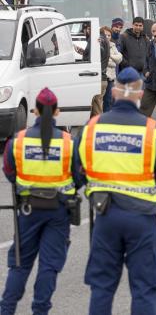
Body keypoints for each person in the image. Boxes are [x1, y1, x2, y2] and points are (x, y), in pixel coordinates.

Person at [75, 67, 156, 313]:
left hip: (105, 215)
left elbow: (77, 172)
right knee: (144, 287)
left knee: (102, 286)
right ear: (140, 94)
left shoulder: (92, 128)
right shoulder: (152, 130)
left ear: (115, 93)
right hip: (142, 219)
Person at [0, 88, 80, 315]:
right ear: (57, 112)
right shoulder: (68, 142)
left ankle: (6, 310)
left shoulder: (18, 140)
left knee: (20, 264)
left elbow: (9, 171)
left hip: (27, 209)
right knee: (49, 265)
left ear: (35, 111)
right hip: (58, 211)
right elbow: (79, 175)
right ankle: (40, 310)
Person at [86, 23, 111, 118]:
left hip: (98, 78)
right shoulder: (103, 39)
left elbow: (97, 54)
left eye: (88, 29)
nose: (87, 31)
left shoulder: (98, 40)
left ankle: (99, 129)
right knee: (95, 107)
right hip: (101, 78)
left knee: (96, 109)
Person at [101, 26, 123, 113]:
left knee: (108, 100)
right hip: (102, 78)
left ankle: (107, 119)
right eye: (105, 35)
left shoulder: (113, 45)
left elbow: (119, 59)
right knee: (99, 101)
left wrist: (109, 56)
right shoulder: (98, 45)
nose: (107, 37)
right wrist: (112, 61)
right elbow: (103, 62)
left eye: (109, 35)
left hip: (111, 78)